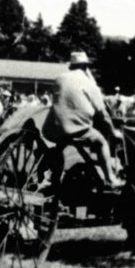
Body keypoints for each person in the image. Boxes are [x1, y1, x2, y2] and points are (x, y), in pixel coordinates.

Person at [42, 51, 119, 186]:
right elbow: (103, 113)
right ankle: (110, 178)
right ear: (86, 67)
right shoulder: (89, 83)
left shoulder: (59, 78)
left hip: (52, 127)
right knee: (102, 142)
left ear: (71, 66)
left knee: (61, 143)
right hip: (76, 128)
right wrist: (113, 132)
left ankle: (54, 176)